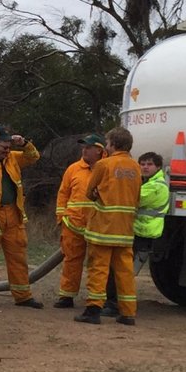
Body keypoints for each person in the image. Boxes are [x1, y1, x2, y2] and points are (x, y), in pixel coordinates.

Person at [75, 127, 140, 326]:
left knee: (98, 270)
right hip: (125, 229)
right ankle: (128, 313)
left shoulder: (104, 165)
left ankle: (93, 310)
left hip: (103, 229)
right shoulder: (136, 167)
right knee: (125, 272)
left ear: (112, 144)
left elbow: (89, 192)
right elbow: (137, 196)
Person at [0, 125, 43, 308]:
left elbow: (33, 157)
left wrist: (23, 143)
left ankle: (23, 295)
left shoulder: (13, 159)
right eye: (4, 148)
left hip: (13, 215)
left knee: (18, 256)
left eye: (9, 148)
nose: (7, 151)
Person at [103, 151, 170, 317]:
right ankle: (115, 304)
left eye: (150, 164)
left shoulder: (157, 186)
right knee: (121, 270)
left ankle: (116, 306)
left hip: (142, 235)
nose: (145, 167)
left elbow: (131, 197)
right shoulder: (145, 182)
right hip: (135, 233)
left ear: (158, 167)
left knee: (123, 271)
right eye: (143, 164)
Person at [53, 134, 105, 308]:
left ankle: (95, 299)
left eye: (88, 148)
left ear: (99, 150)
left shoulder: (106, 168)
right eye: (83, 148)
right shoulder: (73, 169)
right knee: (71, 260)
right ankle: (66, 296)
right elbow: (63, 193)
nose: (84, 151)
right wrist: (61, 216)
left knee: (97, 263)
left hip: (97, 224)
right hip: (72, 223)